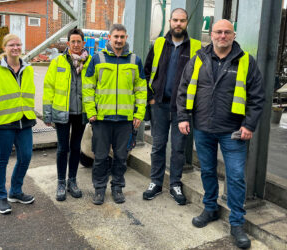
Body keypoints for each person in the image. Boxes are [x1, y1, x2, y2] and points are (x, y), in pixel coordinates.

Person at [177, 19, 265, 249]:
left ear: (233, 35)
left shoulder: (246, 61)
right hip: (203, 127)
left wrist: (249, 125)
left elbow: (257, 97)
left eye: (227, 32)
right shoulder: (199, 58)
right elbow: (184, 88)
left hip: (234, 130)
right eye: (218, 32)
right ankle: (210, 208)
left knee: (235, 176)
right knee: (206, 171)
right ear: (211, 34)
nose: (222, 36)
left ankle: (236, 223)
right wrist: (184, 117)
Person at [142, 8, 201, 205]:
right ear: (169, 21)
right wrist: (151, 98)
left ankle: (175, 183)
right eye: (175, 20)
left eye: (182, 21)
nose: (178, 24)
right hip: (158, 105)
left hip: (181, 110)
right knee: (157, 146)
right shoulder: (159, 44)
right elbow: (146, 72)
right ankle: (156, 183)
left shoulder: (196, 48)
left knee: (178, 149)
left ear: (186, 23)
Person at [83, 24, 147, 205]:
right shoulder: (97, 58)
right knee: (100, 157)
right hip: (102, 119)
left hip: (125, 121)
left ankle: (117, 187)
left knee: (121, 157)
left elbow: (141, 90)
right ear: (109, 38)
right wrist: (91, 111)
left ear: (126, 38)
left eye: (122, 37)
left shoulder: (135, 60)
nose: (119, 40)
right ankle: (99, 189)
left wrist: (139, 114)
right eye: (115, 37)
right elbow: (88, 88)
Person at [0, 34, 36, 215]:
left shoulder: (28, 69)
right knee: (2, 160)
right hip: (2, 124)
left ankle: (15, 191)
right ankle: (1, 196)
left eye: (18, 44)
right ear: (4, 48)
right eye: (11, 45)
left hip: (24, 121)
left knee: (26, 156)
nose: (15, 48)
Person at [43, 28, 91, 201]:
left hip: (81, 113)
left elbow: (95, 88)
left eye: (79, 41)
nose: (76, 45)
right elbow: (49, 88)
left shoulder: (90, 62)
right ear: (68, 43)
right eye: (73, 42)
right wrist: (47, 114)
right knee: (63, 148)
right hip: (62, 112)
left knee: (76, 147)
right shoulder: (58, 62)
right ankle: (61, 182)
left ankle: (72, 181)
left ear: (84, 43)